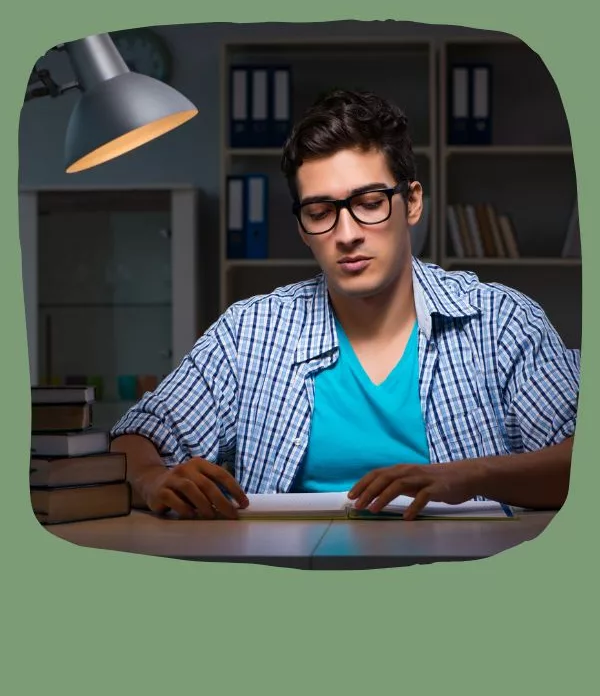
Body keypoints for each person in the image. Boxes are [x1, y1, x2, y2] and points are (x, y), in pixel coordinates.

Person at [109, 89, 580, 521]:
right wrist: (152, 481)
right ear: (302, 227)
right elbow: (137, 437)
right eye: (320, 212)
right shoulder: (248, 332)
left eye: (370, 202)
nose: (347, 233)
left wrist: (464, 477)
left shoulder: (500, 322)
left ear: (412, 202)